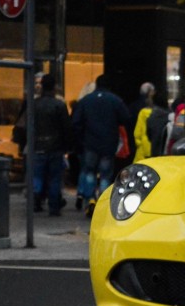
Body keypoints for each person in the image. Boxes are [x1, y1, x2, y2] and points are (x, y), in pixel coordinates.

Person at [72, 74, 131, 217]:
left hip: (90, 143)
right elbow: (126, 119)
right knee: (105, 175)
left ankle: (90, 199)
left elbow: (76, 123)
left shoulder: (86, 100)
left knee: (89, 172)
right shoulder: (115, 101)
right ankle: (102, 202)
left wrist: (80, 140)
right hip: (108, 144)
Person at [30, 73, 72, 216]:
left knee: (37, 175)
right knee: (55, 178)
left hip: (38, 145)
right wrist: (67, 145)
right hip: (55, 147)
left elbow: (28, 126)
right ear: (54, 87)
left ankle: (36, 199)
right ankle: (54, 206)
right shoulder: (59, 105)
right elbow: (66, 127)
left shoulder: (34, 104)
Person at [132, 85, 158, 162]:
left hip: (144, 146)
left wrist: (138, 142)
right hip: (157, 147)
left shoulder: (143, 113)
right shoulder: (163, 114)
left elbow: (138, 131)